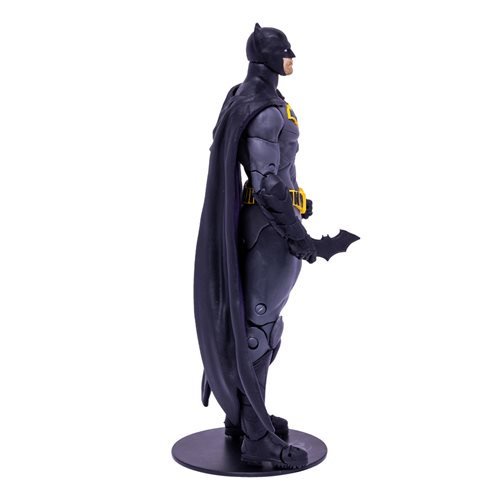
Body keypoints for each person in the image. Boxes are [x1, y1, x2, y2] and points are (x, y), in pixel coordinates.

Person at [194, 23, 321, 469]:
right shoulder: (265, 110)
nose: (292, 59)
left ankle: (248, 418)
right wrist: (297, 234)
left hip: (269, 223)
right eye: (286, 52)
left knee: (261, 322)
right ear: (269, 57)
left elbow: (277, 175)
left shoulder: (246, 97)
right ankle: (255, 436)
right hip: (270, 228)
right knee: (260, 327)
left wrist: (299, 203)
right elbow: (267, 183)